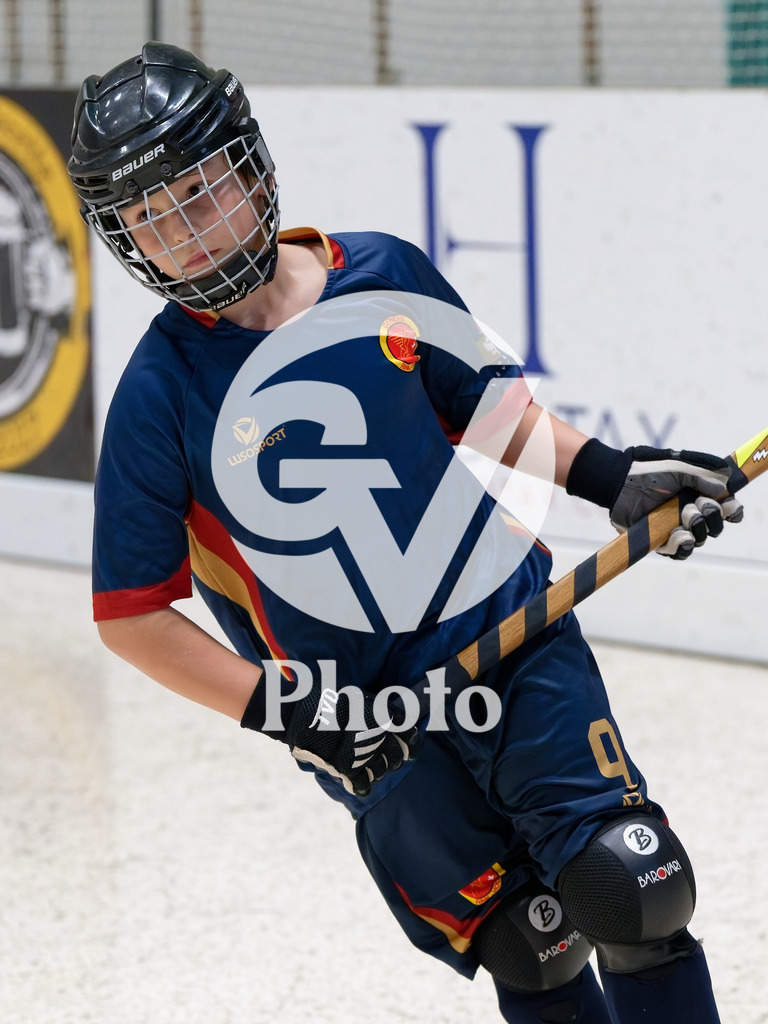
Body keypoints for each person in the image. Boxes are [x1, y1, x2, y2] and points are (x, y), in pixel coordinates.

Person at [68, 42, 743, 1024]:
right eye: (153, 222)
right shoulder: (158, 396)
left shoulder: (384, 271)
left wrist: (614, 477)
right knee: (535, 939)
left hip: (516, 642)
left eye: (203, 193)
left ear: (251, 168)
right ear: (125, 241)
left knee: (630, 888)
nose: (192, 238)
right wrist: (287, 710)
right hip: (372, 725)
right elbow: (130, 614)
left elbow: (486, 408)